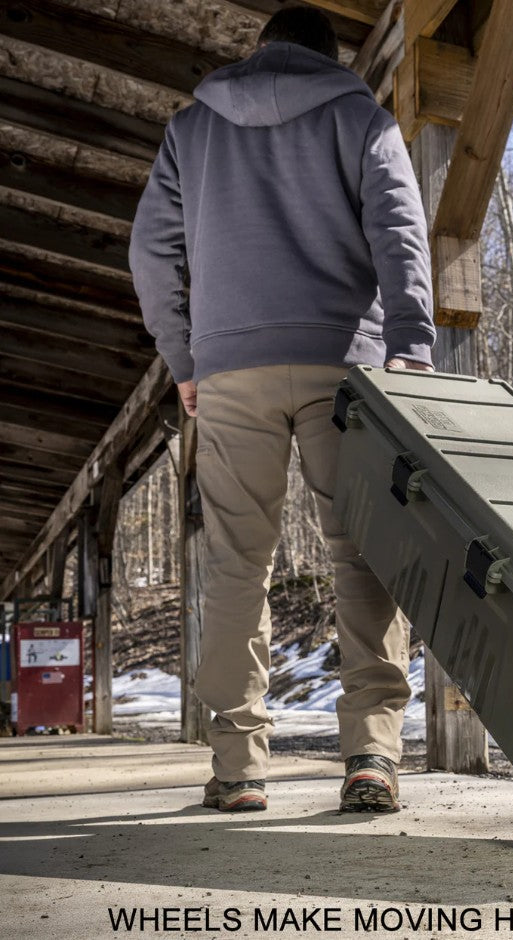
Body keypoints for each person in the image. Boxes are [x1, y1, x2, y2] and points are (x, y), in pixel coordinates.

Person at [129, 7, 435, 814]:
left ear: (259, 50)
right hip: (347, 367)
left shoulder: (192, 129)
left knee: (237, 562)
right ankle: (371, 755)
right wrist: (409, 344)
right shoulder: (360, 117)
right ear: (332, 58)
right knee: (363, 552)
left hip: (230, 370)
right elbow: (399, 230)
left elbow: (150, 252)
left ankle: (238, 768)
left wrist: (184, 357)